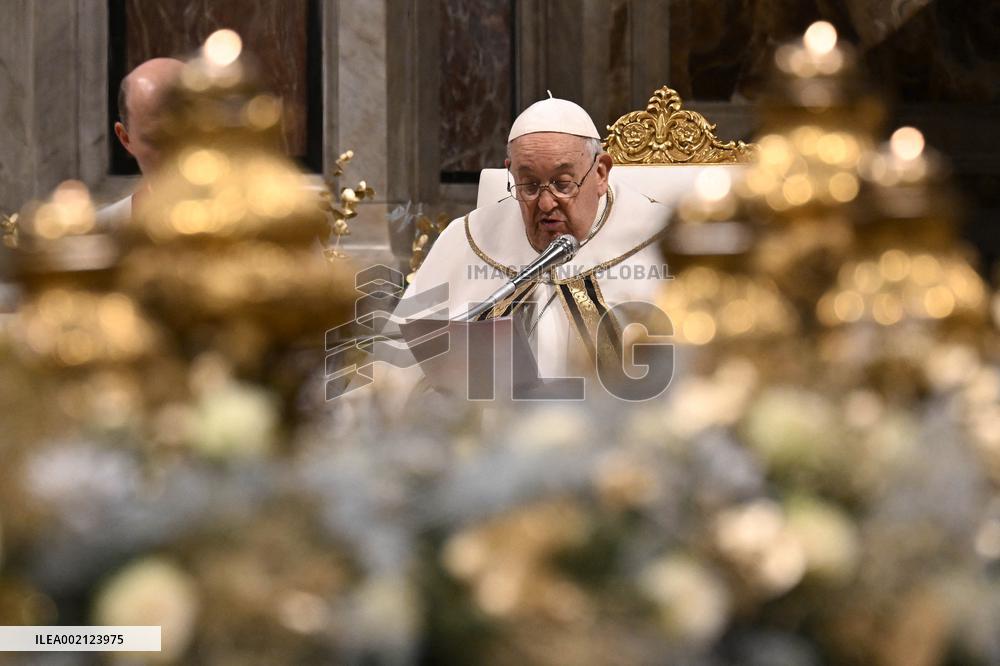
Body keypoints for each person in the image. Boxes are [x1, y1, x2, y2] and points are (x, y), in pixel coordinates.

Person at [400, 96, 671, 386]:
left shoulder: (664, 241)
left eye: (562, 184)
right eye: (528, 185)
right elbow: (398, 368)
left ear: (601, 173)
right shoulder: (468, 237)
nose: (544, 203)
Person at [96, 57, 185, 230]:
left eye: (190, 135)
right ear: (125, 138)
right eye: (158, 141)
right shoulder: (99, 237)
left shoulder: (247, 228)